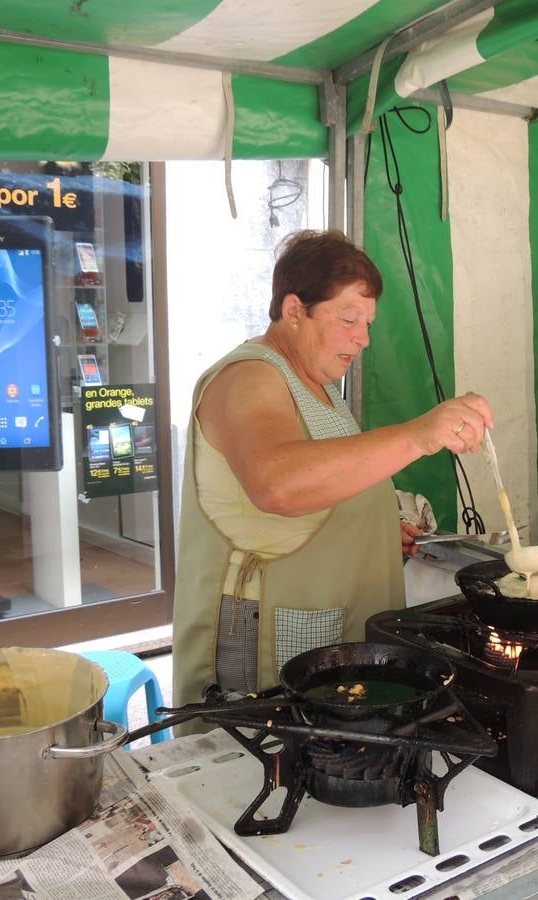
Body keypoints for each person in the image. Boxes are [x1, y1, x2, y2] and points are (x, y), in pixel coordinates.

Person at [172, 230, 492, 711]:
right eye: (348, 319)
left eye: (367, 322)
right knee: (258, 762)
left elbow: (329, 475)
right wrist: (418, 435)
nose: (363, 338)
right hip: (269, 635)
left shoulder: (316, 384)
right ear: (294, 310)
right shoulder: (249, 376)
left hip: (331, 622)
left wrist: (375, 524)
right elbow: (278, 484)